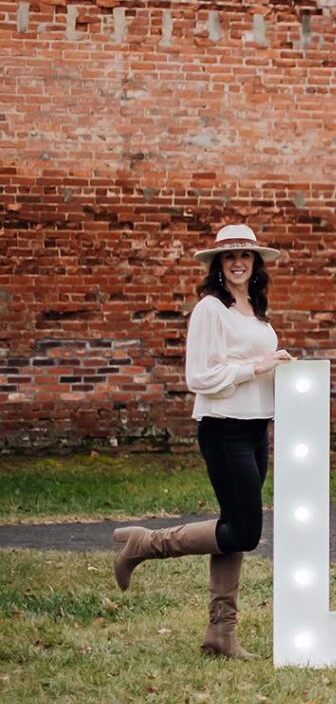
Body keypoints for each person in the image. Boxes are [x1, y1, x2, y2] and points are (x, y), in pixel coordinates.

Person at [111, 224, 293, 659]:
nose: (237, 263)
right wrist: (258, 365)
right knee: (244, 531)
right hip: (224, 425)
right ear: (217, 264)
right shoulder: (210, 309)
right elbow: (199, 377)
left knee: (231, 528)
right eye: (228, 256)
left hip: (255, 426)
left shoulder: (254, 308)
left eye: (245, 256)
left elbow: (257, 366)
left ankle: (221, 633)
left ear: (256, 264)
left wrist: (282, 372)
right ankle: (146, 544)